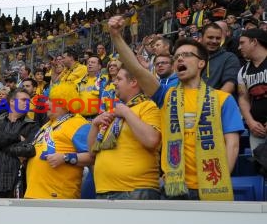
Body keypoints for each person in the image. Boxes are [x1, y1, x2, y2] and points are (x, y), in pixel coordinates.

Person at [108, 15, 243, 200]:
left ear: (201, 63)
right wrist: (115, 35)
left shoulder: (223, 99)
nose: (180, 59)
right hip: (174, 187)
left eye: (187, 55)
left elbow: (233, 145)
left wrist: (220, 181)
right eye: (177, 56)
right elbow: (137, 70)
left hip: (211, 187)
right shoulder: (166, 95)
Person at [88, 67, 162, 199]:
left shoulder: (148, 106)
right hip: (104, 191)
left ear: (133, 82)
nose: (114, 83)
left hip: (135, 191)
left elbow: (152, 140)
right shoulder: (115, 112)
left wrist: (126, 112)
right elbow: (92, 153)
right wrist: (95, 124)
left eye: (119, 79)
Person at [25, 83, 92, 199]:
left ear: (63, 103)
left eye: (51, 100)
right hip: (33, 194)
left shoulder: (78, 124)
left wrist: (65, 158)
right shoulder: (46, 125)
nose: (46, 103)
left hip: (58, 198)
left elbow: (93, 157)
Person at [0, 89, 39, 198]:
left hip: (17, 185)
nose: (27, 103)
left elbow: (28, 150)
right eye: (23, 100)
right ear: (12, 101)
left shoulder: (33, 126)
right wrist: (16, 138)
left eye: (28, 101)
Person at [237, 29, 267, 153]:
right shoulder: (243, 71)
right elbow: (243, 98)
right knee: (261, 167)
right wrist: (250, 122)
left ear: (254, 42)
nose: (239, 47)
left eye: (242, 43)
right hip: (257, 129)